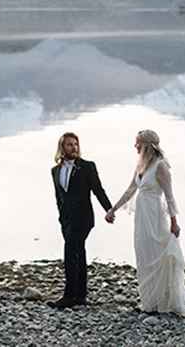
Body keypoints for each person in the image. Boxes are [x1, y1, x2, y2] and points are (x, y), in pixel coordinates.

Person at [106, 129, 185, 316]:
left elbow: (169, 197)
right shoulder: (141, 165)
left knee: (158, 257)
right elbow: (130, 190)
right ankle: (149, 301)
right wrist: (113, 209)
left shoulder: (161, 166)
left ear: (146, 145)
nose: (135, 146)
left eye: (137, 143)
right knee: (144, 256)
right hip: (142, 219)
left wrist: (174, 222)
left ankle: (163, 302)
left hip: (155, 217)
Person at [47, 132, 113, 309]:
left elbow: (98, 190)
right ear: (62, 148)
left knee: (70, 252)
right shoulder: (55, 171)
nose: (73, 147)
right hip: (66, 220)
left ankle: (69, 296)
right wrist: (61, 217)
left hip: (83, 218)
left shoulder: (87, 167)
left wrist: (109, 209)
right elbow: (58, 197)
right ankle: (81, 295)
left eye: (75, 144)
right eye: (69, 144)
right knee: (79, 252)